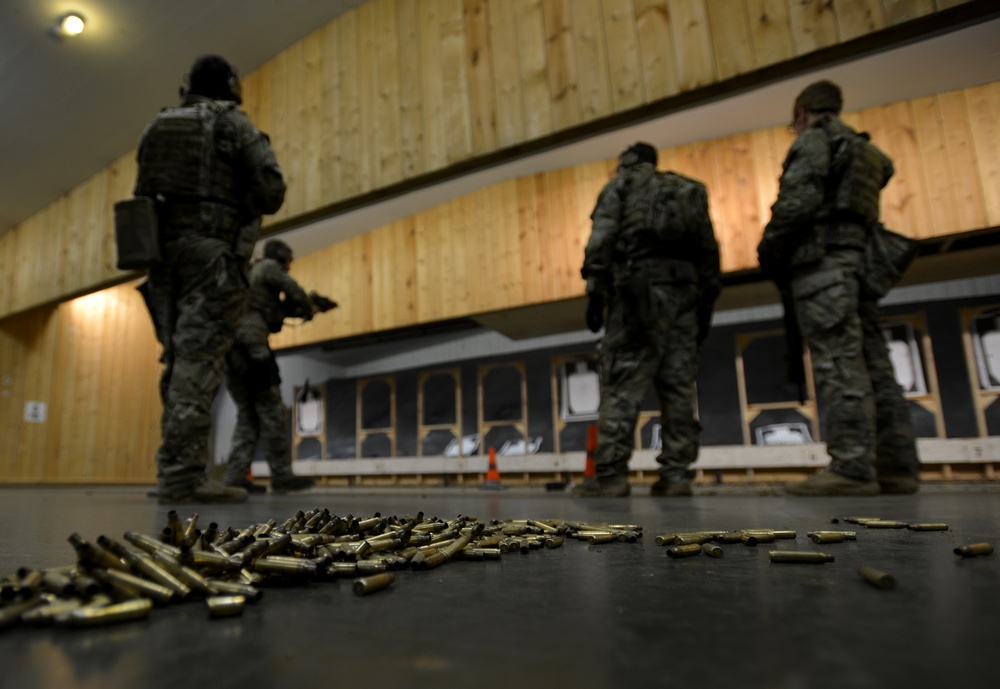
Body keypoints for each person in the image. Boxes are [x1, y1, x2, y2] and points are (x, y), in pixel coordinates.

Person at [757, 80, 920, 496]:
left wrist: (770, 245)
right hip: (859, 262)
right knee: (874, 361)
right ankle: (895, 467)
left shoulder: (815, 141)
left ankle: (851, 468)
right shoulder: (865, 150)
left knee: (838, 360)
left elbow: (797, 201)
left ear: (803, 112)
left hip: (823, 263)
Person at [136, 55, 286, 504]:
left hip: (163, 260)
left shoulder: (158, 126)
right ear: (230, 86)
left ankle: (174, 467)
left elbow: (144, 192)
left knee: (179, 358)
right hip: (211, 256)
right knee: (199, 362)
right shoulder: (231, 123)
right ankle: (181, 477)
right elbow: (271, 193)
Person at [575, 142, 720, 497]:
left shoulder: (621, 186)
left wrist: (595, 288)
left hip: (637, 292)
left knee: (623, 380)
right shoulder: (690, 190)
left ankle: (610, 477)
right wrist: (705, 301)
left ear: (625, 162)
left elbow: (603, 236)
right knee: (679, 384)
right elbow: (709, 251)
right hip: (686, 293)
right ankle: (676, 476)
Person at [222, 239, 337, 494]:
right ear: (282, 257)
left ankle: (235, 477)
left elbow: (274, 310)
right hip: (254, 348)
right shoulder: (269, 268)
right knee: (273, 411)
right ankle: (282, 476)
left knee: (248, 416)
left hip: (232, 350)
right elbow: (293, 291)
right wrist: (308, 307)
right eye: (289, 262)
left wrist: (309, 308)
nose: (289, 268)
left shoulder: (252, 278)